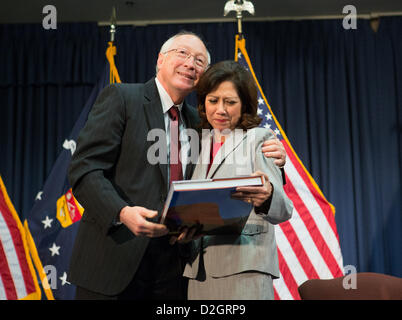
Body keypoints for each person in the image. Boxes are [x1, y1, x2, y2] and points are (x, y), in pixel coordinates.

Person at [68, 31, 287, 300]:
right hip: (113, 259)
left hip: (175, 268)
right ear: (160, 60)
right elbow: (84, 170)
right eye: (183, 53)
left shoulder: (202, 122)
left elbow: (234, 160)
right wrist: (122, 212)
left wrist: (277, 159)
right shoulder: (122, 98)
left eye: (200, 61)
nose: (191, 63)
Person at [183, 60, 293, 300]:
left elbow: (283, 210)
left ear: (244, 105)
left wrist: (267, 197)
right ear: (203, 104)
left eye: (230, 102)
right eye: (213, 101)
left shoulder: (259, 138)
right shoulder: (198, 144)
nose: (220, 110)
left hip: (244, 270)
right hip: (198, 272)